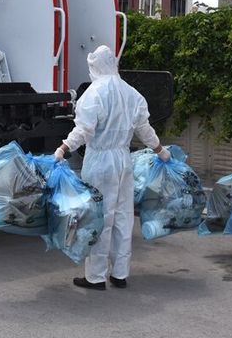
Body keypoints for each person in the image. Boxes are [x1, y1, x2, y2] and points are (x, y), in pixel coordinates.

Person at [54, 45, 169, 291]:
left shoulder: (94, 93)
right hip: (123, 160)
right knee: (123, 217)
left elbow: (83, 130)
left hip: (100, 162)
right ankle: (119, 274)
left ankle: (95, 277)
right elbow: (144, 129)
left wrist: (64, 147)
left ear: (96, 66)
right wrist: (160, 150)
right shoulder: (132, 93)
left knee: (100, 218)